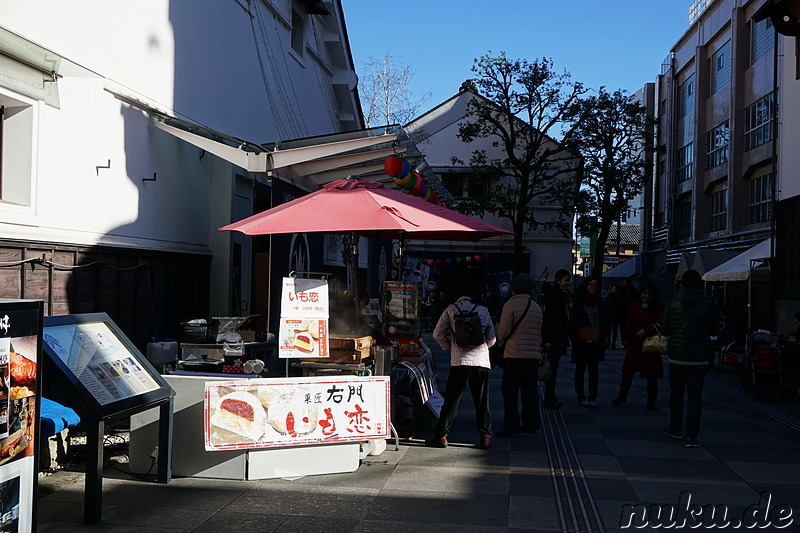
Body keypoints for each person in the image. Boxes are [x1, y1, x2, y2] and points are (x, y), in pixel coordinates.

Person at [427, 279, 496, 449]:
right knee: (482, 402)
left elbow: (437, 334)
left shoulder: (451, 310)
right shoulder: (483, 310)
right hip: (480, 362)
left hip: (459, 362)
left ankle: (442, 436)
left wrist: (449, 345)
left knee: (451, 400)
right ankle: (485, 436)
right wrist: (481, 348)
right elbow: (492, 339)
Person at [660, 269, 719, 448]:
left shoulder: (672, 303)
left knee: (676, 394)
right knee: (695, 397)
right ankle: (691, 435)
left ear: (681, 284)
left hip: (676, 357)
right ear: (699, 285)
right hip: (699, 358)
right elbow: (715, 330)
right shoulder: (707, 305)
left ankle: (675, 427)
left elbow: (664, 329)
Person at [495, 273, 544, 436]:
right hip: (532, 357)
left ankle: (511, 425)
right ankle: (531, 424)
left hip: (514, 355)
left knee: (510, 391)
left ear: (513, 289)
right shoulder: (536, 306)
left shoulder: (510, 306)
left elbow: (502, 333)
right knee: (530, 391)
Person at [611, 281, 664, 409]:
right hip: (635, 342)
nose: (646, 296)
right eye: (644, 293)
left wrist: (646, 330)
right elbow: (628, 321)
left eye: (649, 294)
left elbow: (660, 322)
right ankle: (622, 396)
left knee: (651, 374)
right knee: (628, 371)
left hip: (651, 342)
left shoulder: (658, 306)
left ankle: (651, 400)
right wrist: (626, 338)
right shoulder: (635, 304)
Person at [571, 276, 607, 406]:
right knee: (580, 369)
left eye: (596, 285)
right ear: (585, 286)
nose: (593, 287)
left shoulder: (599, 302)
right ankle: (580, 395)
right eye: (590, 285)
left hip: (596, 341)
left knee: (594, 370)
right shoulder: (579, 302)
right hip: (582, 341)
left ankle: (593, 396)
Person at [541, 269, 573, 409]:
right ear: (558, 280)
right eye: (565, 280)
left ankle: (551, 396)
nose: (568, 283)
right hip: (554, 337)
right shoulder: (555, 295)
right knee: (551, 369)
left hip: (559, 336)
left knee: (554, 368)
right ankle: (549, 397)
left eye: (568, 280)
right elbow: (549, 318)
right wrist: (547, 339)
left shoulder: (566, 295)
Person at [602, 284, 626, 349]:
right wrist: (606, 313)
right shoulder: (609, 296)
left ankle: (613, 343)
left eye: (615, 289)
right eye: (613, 288)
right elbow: (604, 305)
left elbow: (622, 307)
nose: (614, 290)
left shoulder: (619, 297)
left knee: (615, 330)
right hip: (609, 316)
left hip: (616, 316)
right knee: (608, 330)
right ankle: (609, 342)